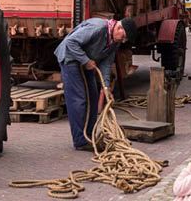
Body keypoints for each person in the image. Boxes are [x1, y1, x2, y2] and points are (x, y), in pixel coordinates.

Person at [54, 17, 137, 151]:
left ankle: (90, 136)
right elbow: (70, 42)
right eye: (124, 37)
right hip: (70, 58)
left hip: (87, 62)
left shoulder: (115, 42)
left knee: (93, 96)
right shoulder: (98, 28)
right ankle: (80, 141)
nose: (123, 41)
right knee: (79, 99)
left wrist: (106, 86)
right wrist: (85, 60)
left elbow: (106, 63)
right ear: (119, 28)